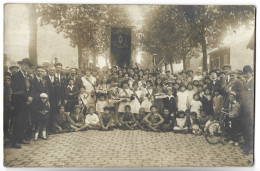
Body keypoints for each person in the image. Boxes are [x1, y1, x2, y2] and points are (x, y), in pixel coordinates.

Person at [11, 58, 33, 148]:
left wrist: (30, 97)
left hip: (25, 102)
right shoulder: (16, 76)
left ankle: (20, 138)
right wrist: (27, 97)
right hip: (18, 102)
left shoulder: (26, 76)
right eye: (24, 64)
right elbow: (17, 90)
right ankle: (14, 142)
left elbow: (29, 88)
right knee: (18, 122)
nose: (26, 66)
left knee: (24, 121)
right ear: (21, 65)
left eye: (28, 65)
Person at [241, 65, 254, 154]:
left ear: (251, 73)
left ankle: (250, 147)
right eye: (244, 73)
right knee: (245, 127)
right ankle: (246, 144)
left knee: (250, 128)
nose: (245, 75)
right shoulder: (244, 82)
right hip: (244, 108)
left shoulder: (253, 82)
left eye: (247, 73)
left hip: (251, 108)